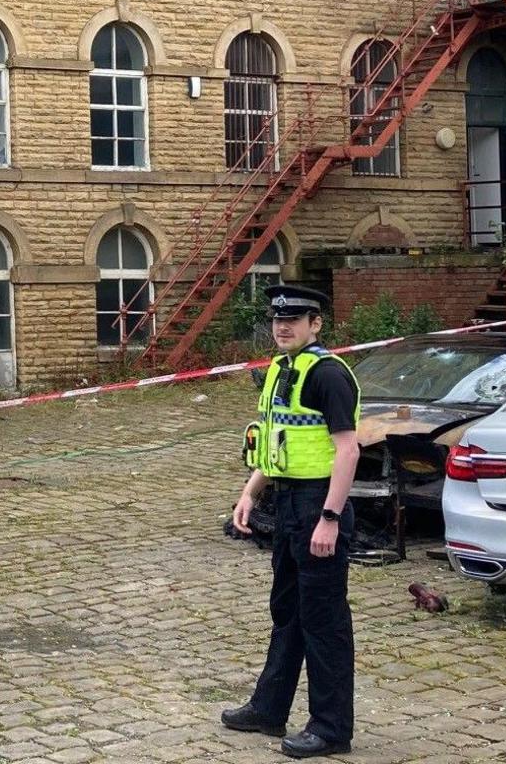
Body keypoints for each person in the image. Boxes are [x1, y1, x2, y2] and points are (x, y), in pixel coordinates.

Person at [220, 284, 361, 759]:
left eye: (294, 319)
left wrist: (331, 518)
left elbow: (348, 449)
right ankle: (269, 707)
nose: (283, 326)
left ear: (315, 324)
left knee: (324, 620)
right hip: (286, 502)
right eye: (278, 319)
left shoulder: (327, 374)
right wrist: (249, 492)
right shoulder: (283, 369)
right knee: (288, 611)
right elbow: (278, 441)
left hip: (318, 504)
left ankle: (331, 727)